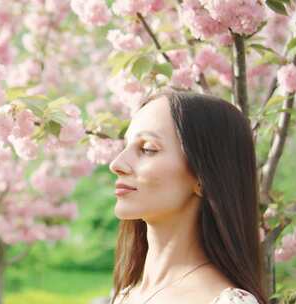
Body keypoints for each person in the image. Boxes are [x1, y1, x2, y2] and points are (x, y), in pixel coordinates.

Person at [108, 91, 266, 304]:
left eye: (147, 149)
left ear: (202, 177)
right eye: (125, 146)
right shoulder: (126, 295)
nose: (116, 164)